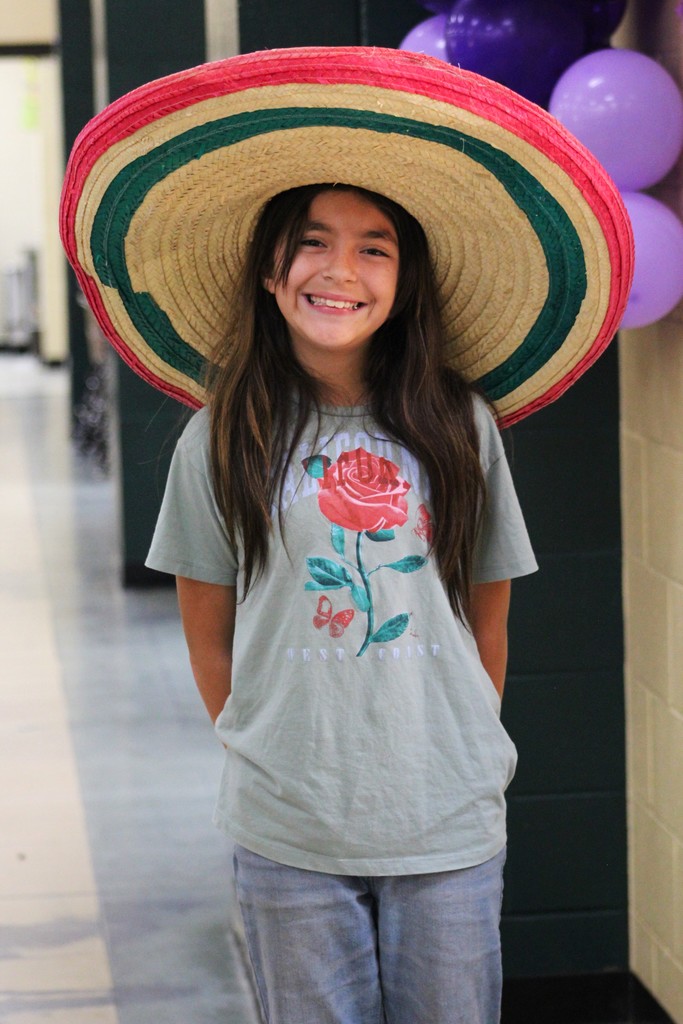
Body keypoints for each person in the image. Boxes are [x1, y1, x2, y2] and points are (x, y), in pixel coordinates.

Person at [60, 46, 633, 1024]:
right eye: (312, 241)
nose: (339, 268)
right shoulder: (222, 434)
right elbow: (209, 633)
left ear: (405, 282)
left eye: (374, 246)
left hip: (444, 823)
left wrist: (449, 754)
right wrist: (273, 755)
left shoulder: (460, 428)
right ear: (270, 271)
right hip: (287, 831)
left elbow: (484, 622)